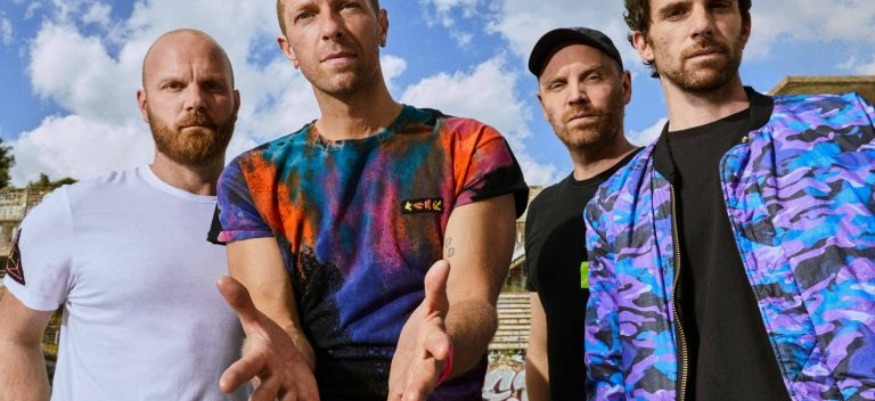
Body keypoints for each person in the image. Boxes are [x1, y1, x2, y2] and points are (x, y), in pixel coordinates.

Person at [208, 0, 529, 400]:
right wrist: (276, 355)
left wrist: (442, 342)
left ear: (382, 25)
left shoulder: (469, 148)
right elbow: (279, 322)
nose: (331, 28)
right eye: (306, 15)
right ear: (288, 48)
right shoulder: (253, 177)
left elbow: (471, 300)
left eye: (347, 6)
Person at [584, 0, 875, 400]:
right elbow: (607, 369)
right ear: (643, 43)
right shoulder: (614, 204)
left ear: (745, 26)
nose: (702, 24)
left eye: (718, 6)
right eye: (677, 12)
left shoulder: (845, 128)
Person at [0, 29, 247, 401]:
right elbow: (12, 337)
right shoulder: (71, 211)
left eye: (212, 86)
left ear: (235, 102)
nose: (195, 101)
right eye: (174, 86)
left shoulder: (267, 223)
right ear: (144, 104)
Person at [521, 27, 638, 401]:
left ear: (625, 87)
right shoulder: (542, 210)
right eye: (558, 85)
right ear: (543, 105)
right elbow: (541, 347)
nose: (576, 96)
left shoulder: (666, 177)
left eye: (592, 77)